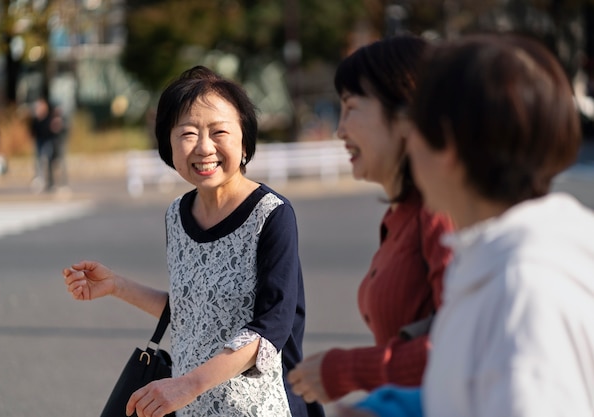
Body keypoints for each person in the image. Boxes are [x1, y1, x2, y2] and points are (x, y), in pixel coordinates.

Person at [351, 32, 594, 416]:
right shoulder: (497, 260)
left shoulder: (522, 287)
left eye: (413, 128)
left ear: (445, 143)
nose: (408, 147)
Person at [63, 66, 325, 417]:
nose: (204, 147)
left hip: (260, 407)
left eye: (219, 132)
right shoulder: (176, 214)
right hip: (192, 408)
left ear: (244, 139)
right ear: (167, 143)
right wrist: (117, 286)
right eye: (187, 133)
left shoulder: (272, 215)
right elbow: (194, 313)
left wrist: (186, 385)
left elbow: (270, 329)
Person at [288, 35, 454, 405]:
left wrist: (345, 370)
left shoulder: (440, 211)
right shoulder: (401, 214)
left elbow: (462, 346)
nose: (340, 130)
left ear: (404, 114)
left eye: (350, 108)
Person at [29, 97, 64, 192]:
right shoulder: (36, 119)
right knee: (39, 162)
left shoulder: (49, 118)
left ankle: (51, 182)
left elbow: (53, 130)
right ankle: (40, 181)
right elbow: (33, 130)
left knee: (48, 161)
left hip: (48, 141)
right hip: (39, 141)